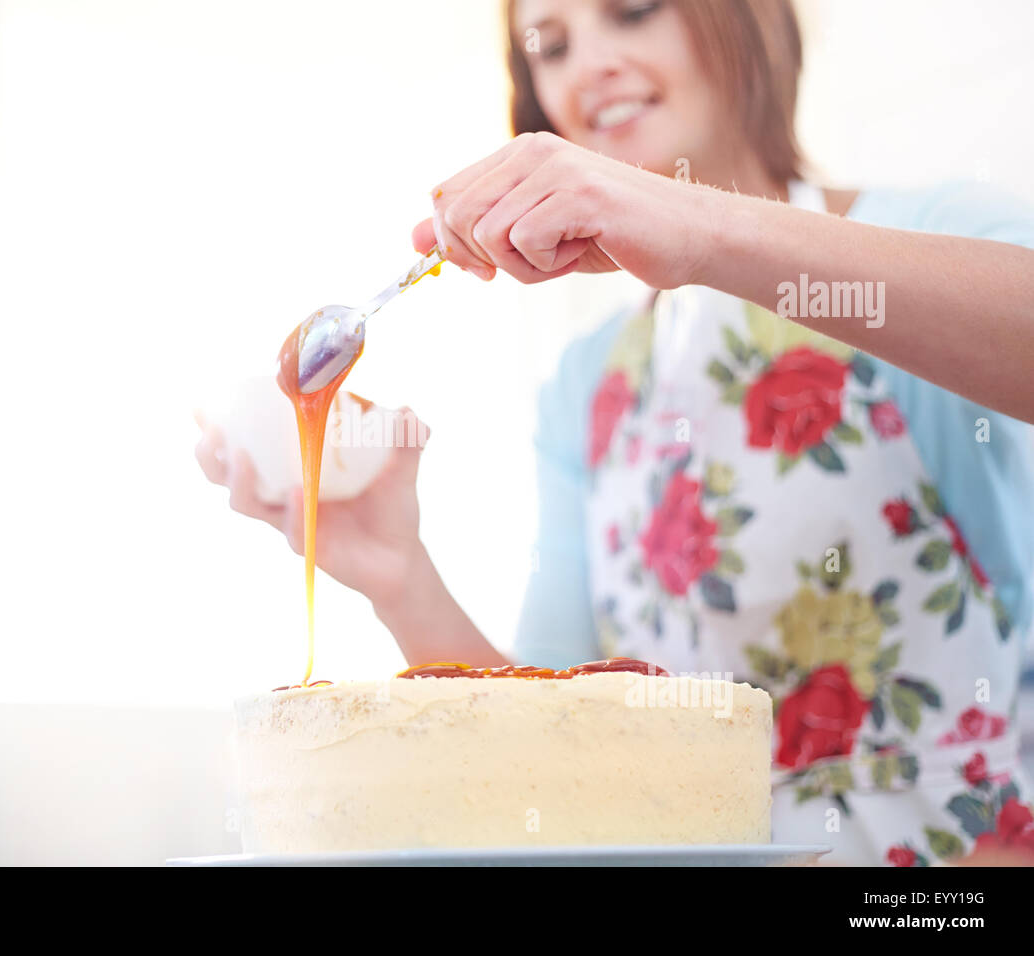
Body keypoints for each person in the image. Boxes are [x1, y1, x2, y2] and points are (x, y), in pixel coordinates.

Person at [198, 0, 1034, 866]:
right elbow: (554, 752)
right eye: (551, 48)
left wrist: (706, 224)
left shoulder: (932, 233)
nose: (589, 65)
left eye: (633, 10)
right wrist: (401, 579)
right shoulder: (588, 384)